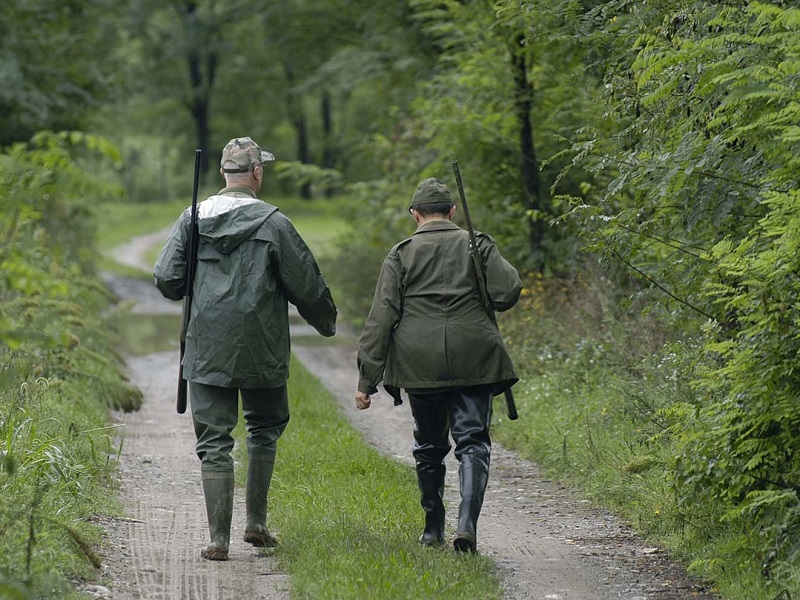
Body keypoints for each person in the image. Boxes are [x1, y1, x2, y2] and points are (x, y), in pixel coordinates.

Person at [154, 137, 337, 561]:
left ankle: (218, 540)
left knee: (214, 440)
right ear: (256, 173)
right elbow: (306, 284)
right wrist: (326, 323)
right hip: (262, 347)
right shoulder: (274, 222)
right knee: (263, 428)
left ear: (223, 173)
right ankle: (256, 523)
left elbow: (166, 278)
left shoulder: (192, 218)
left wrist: (192, 286)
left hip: (207, 346)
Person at [354, 177, 521, 554]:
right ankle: (467, 524)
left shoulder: (401, 254)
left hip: (419, 362)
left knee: (429, 446)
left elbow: (381, 318)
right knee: (473, 442)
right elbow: (507, 292)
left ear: (415, 214)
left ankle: (432, 529)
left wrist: (367, 380)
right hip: (475, 355)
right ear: (452, 211)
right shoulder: (477, 244)